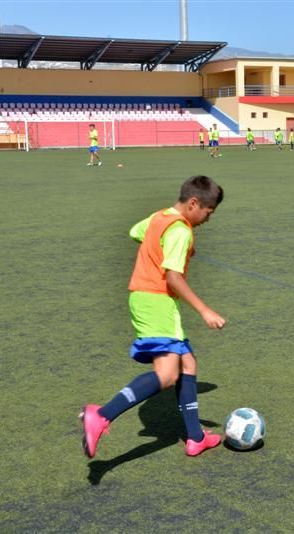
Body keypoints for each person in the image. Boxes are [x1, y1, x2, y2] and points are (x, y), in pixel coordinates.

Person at [80, 175, 226, 459]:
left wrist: (155, 246)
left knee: (188, 363)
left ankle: (196, 437)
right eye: (208, 212)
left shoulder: (161, 217)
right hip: (157, 300)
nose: (208, 219)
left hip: (142, 297)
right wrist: (205, 310)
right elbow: (172, 277)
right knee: (168, 375)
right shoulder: (181, 231)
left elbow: (136, 231)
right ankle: (101, 415)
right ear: (194, 203)